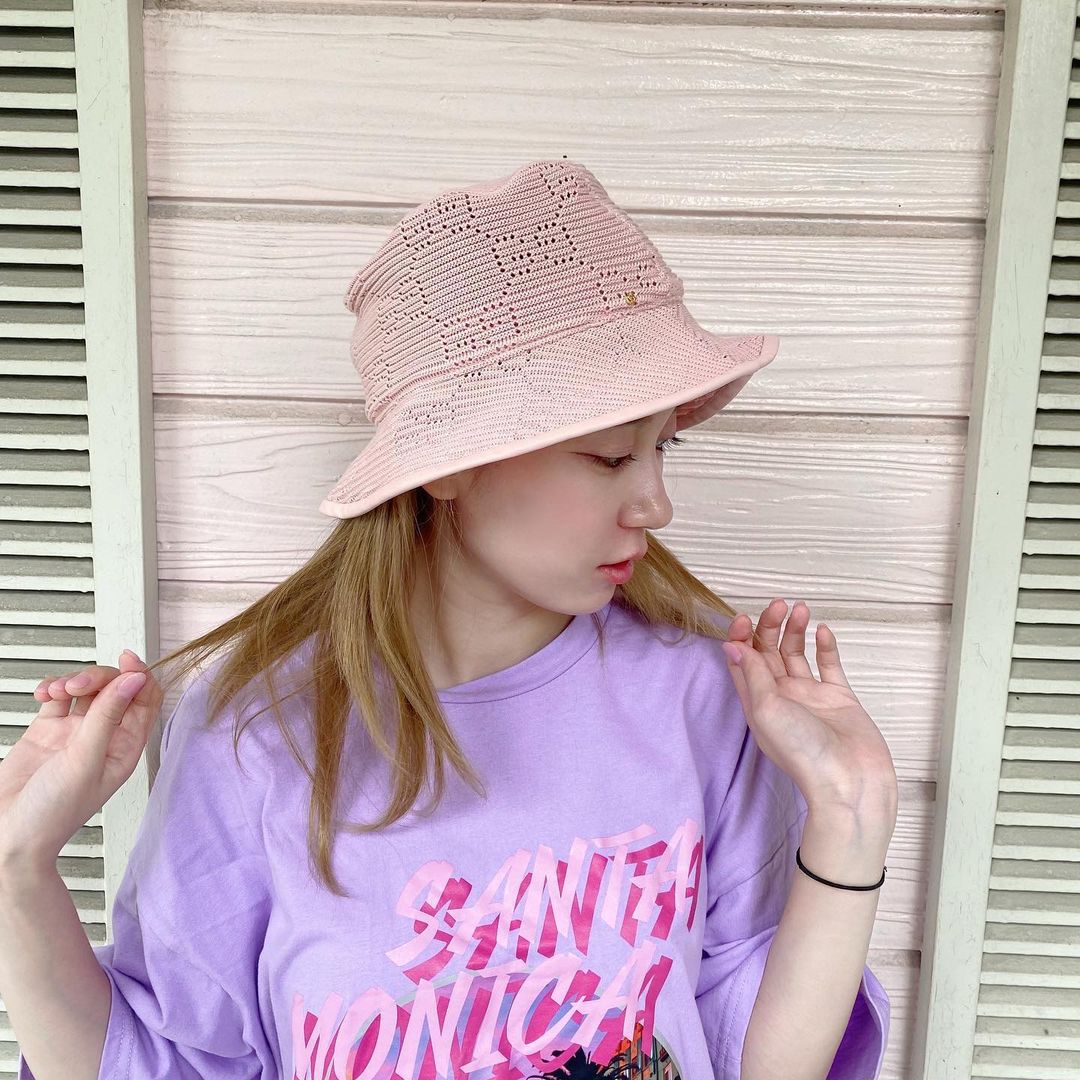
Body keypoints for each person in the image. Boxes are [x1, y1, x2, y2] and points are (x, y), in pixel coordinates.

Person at [1, 159, 897, 1079]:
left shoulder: (702, 692)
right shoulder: (259, 729)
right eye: (608, 457)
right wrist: (14, 869)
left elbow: (755, 1058)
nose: (655, 505)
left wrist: (852, 814)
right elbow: (168, 1062)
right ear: (452, 464)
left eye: (662, 448)